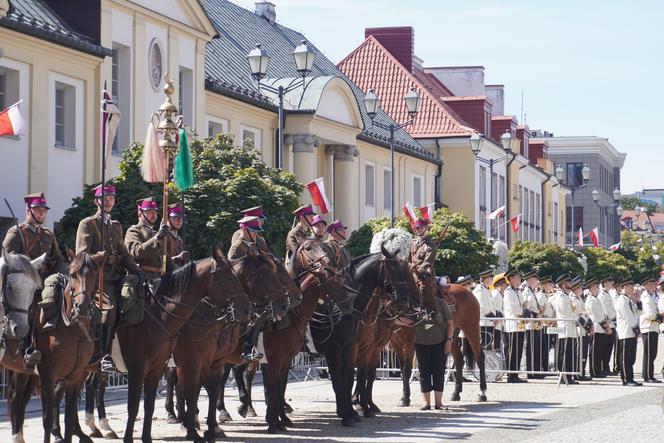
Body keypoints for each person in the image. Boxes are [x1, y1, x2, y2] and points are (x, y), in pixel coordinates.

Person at [75, 184, 144, 373]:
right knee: (110, 308)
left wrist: (138, 271)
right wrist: (98, 257)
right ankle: (103, 355)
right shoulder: (87, 224)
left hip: (117, 277)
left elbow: (124, 253)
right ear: (96, 201)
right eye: (104, 198)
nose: (108, 202)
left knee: (138, 297)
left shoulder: (115, 226)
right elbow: (81, 256)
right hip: (97, 279)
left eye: (111, 198)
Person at [2, 193, 68, 368]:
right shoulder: (16, 232)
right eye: (37, 210)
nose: (41, 214)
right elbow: (6, 260)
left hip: (46, 282)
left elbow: (59, 258)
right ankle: (28, 350)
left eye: (43, 211)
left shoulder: (48, 234)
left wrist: (62, 274)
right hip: (23, 285)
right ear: (28, 210)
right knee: (28, 312)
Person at [229, 215, 268, 363]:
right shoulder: (237, 246)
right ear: (245, 230)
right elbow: (233, 271)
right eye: (253, 231)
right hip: (241, 290)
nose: (256, 234)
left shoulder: (252, 244)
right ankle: (247, 348)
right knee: (259, 314)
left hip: (254, 288)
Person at [414, 289, 454, 410]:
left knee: (438, 372)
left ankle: (438, 402)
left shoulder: (441, 303)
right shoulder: (415, 305)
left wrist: (449, 340)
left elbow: (450, 323)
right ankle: (426, 402)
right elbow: (408, 321)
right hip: (421, 343)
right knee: (424, 372)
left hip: (440, 343)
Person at [125, 197, 174, 278]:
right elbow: (135, 252)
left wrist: (182, 270)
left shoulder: (156, 233)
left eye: (155, 212)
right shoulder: (134, 230)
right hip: (142, 278)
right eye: (149, 212)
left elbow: (165, 257)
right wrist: (156, 238)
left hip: (158, 278)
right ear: (140, 213)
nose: (153, 215)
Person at [551, 275, 579, 385]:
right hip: (565, 328)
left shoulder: (567, 296)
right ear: (563, 284)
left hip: (570, 328)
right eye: (568, 282)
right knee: (565, 353)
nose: (571, 284)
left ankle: (569, 375)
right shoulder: (561, 297)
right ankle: (564, 376)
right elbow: (568, 313)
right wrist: (576, 314)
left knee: (570, 353)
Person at [615, 278, 642, 386]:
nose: (632, 289)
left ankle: (630, 377)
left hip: (631, 332)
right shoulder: (622, 300)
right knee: (625, 358)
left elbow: (637, 313)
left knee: (631, 357)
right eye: (630, 287)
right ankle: (626, 379)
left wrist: (638, 302)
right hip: (626, 331)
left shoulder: (629, 299)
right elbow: (628, 316)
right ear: (624, 287)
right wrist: (636, 327)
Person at [584, 278, 612, 378]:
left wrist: (606, 321)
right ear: (591, 288)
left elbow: (603, 313)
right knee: (595, 352)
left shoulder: (596, 299)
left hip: (601, 328)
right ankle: (594, 371)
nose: (597, 288)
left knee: (599, 351)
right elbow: (597, 316)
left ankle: (598, 370)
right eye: (596, 287)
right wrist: (606, 327)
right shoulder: (591, 300)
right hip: (596, 328)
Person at [503, 268, 526, 383]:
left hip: (520, 324)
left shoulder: (518, 291)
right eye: (516, 278)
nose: (519, 280)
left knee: (519, 350)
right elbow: (512, 308)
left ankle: (515, 374)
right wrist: (524, 312)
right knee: (512, 351)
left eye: (519, 278)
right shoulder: (508, 292)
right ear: (510, 279)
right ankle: (510, 375)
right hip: (512, 325)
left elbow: (522, 304)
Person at [639, 275, 662, 383]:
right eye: (652, 284)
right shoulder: (646, 296)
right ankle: (648, 376)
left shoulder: (652, 295)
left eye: (654, 284)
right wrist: (661, 317)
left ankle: (649, 374)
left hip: (653, 327)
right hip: (648, 327)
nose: (654, 286)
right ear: (646, 285)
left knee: (652, 353)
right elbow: (650, 314)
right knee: (649, 353)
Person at [408, 217, 437, 301]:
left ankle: (427, 310)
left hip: (424, 274)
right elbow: (409, 259)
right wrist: (409, 267)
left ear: (424, 228)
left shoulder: (431, 245)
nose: (416, 230)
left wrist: (416, 271)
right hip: (412, 271)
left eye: (418, 227)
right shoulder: (412, 243)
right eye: (415, 228)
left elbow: (427, 262)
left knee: (422, 290)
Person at [522, 270, 544, 379]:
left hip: (536, 323)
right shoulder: (526, 291)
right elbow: (526, 308)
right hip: (531, 323)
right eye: (535, 280)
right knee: (531, 349)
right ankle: (531, 372)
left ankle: (536, 370)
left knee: (536, 348)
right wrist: (536, 315)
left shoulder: (532, 291)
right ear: (530, 280)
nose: (537, 282)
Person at [570, 277, 592, 381]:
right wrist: (587, 325)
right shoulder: (574, 300)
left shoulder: (579, 299)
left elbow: (585, 313)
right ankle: (578, 373)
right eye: (579, 288)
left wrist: (589, 324)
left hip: (584, 329)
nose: (581, 290)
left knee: (584, 352)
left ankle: (582, 371)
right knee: (579, 353)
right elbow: (577, 315)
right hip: (579, 328)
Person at [598, 275, 618, 375]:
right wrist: (608, 326)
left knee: (609, 348)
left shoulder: (607, 294)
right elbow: (605, 311)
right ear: (605, 283)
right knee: (604, 348)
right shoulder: (602, 295)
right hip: (607, 324)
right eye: (609, 282)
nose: (612, 283)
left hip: (612, 322)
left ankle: (606, 367)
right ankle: (603, 368)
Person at [473, 269, 497, 350]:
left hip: (488, 322)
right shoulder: (480, 290)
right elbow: (482, 307)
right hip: (484, 323)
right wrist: (494, 318)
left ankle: (486, 362)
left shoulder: (486, 289)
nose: (492, 280)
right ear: (486, 279)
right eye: (491, 278)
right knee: (484, 346)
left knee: (488, 345)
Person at [538, 276, 556, 374]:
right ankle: (543, 367)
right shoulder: (541, 295)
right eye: (549, 284)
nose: (551, 285)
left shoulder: (546, 295)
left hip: (548, 323)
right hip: (544, 323)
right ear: (544, 285)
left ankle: (545, 367)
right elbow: (540, 310)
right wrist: (546, 318)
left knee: (547, 346)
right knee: (544, 347)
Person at [491, 273, 507, 351]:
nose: (506, 287)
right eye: (505, 285)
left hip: (499, 323)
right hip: (496, 323)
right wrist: (497, 317)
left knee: (498, 343)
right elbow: (492, 307)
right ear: (500, 285)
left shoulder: (500, 294)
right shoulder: (496, 293)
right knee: (496, 343)